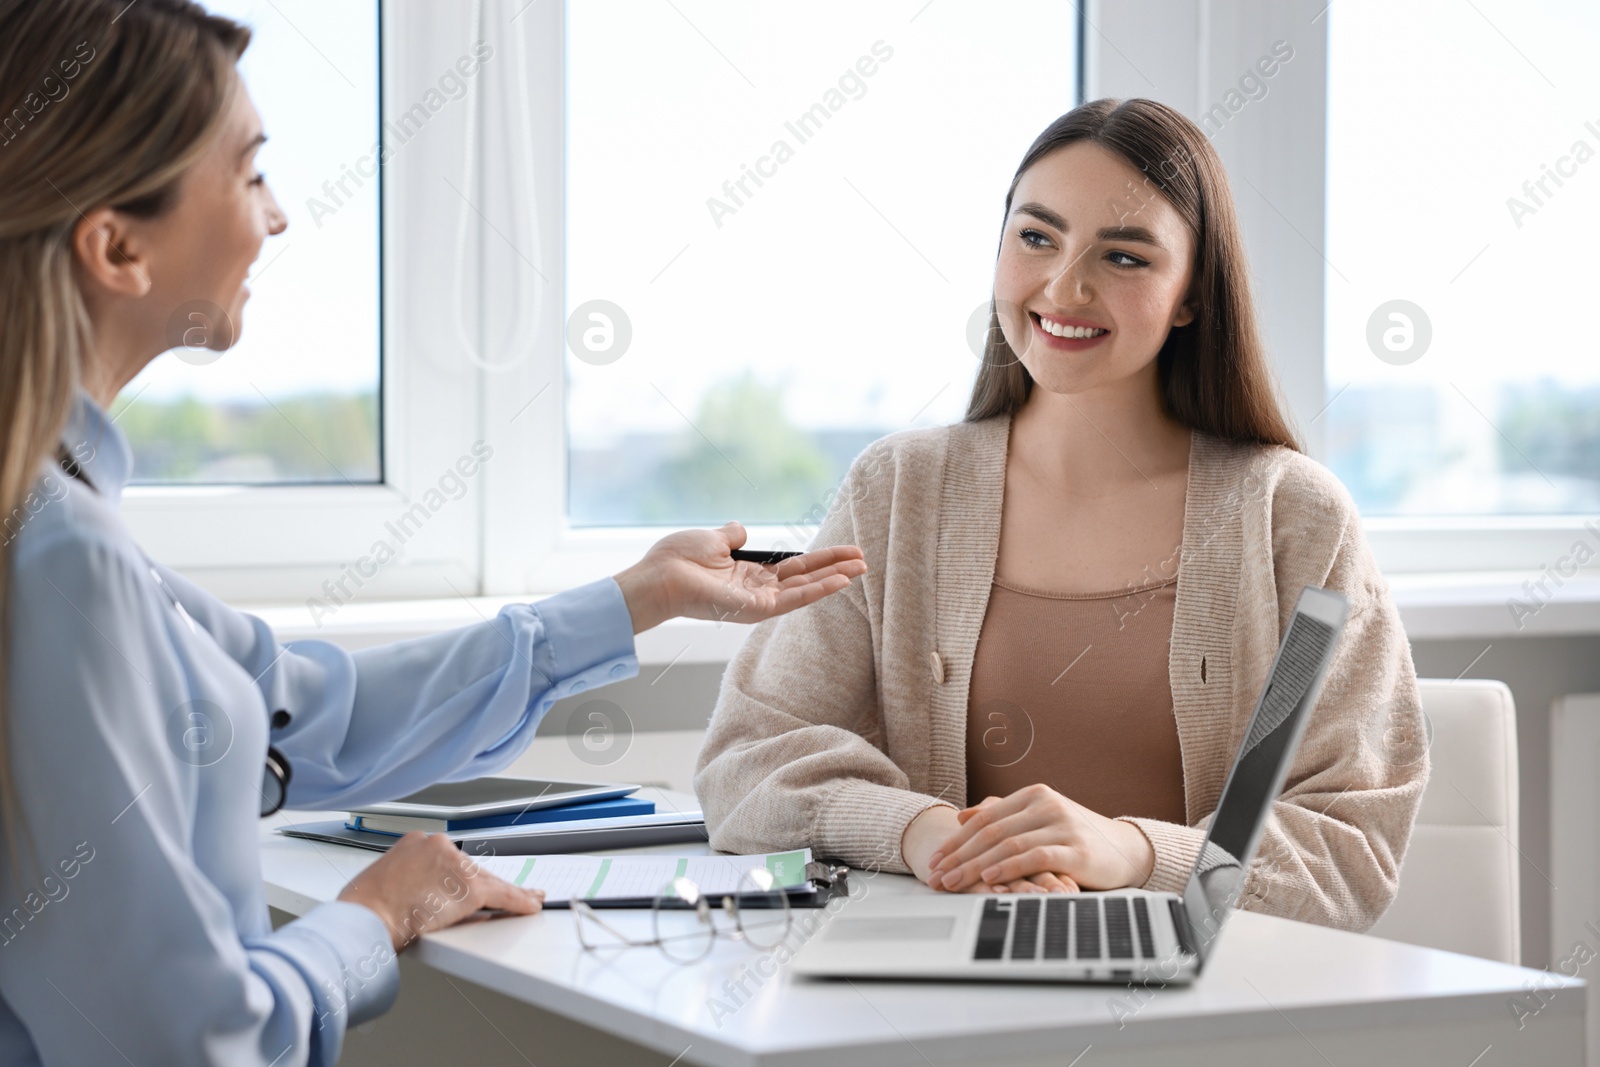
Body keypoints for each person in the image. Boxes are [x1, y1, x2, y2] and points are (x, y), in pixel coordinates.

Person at [0, 2, 866, 1064]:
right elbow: (178, 1040)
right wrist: (375, 915)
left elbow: (308, 716)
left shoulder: (69, 524)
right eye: (250, 172)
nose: (276, 219)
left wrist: (637, 596)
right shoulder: (60, 558)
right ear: (118, 246)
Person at [695, 97, 1430, 932]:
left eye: (1123, 256)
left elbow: (1349, 844)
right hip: (942, 989)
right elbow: (748, 758)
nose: (1065, 287)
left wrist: (1133, 852)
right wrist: (929, 834)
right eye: (1036, 237)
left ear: (1192, 294)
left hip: (1206, 1011)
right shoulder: (899, 491)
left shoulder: (1293, 521)